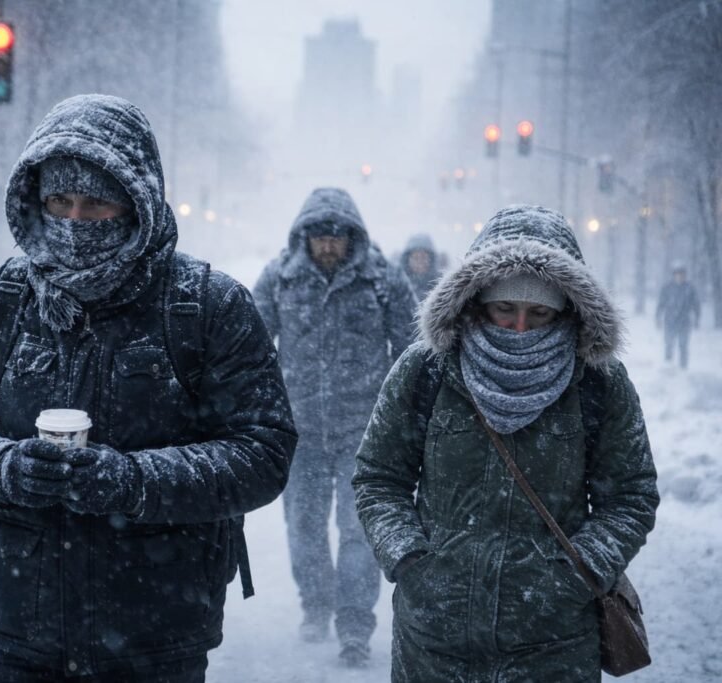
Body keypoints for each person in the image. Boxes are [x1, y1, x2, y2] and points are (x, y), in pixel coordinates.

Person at [0, 94, 297, 682]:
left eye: (96, 204)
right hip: (19, 630)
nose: (73, 221)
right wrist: (3, 468)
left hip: (158, 632)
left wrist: (134, 482)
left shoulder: (207, 306)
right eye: (59, 201)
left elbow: (263, 452)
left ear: (135, 203)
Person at [352, 205, 659, 682]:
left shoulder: (598, 383)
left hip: (553, 643)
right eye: (505, 308)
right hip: (435, 641)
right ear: (476, 301)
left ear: (567, 309)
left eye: (538, 312)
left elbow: (630, 497)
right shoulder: (426, 369)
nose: (519, 326)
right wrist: (413, 562)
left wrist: (575, 575)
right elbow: (378, 478)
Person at [252, 187, 417, 668]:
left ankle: (353, 623)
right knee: (303, 527)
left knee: (358, 530)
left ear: (353, 238)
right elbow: (252, 348)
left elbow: (411, 351)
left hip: (362, 434)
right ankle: (316, 606)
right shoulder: (279, 279)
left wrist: (401, 417)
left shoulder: (383, 280)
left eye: (336, 237)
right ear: (304, 236)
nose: (327, 245)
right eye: (319, 236)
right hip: (298, 432)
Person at [655, 261, 700, 369]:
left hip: (684, 322)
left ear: (685, 275)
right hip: (670, 321)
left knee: (683, 345)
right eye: (677, 274)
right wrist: (658, 317)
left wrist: (697, 318)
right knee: (669, 344)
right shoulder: (667, 288)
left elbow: (696, 304)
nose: (680, 276)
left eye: (682, 274)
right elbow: (661, 304)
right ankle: (668, 365)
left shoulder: (689, 288)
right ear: (674, 275)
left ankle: (683, 368)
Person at [398, 233, 442, 302]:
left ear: (431, 260)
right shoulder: (399, 286)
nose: (420, 262)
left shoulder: (441, 286)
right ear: (407, 260)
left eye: (423, 257)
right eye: (415, 258)